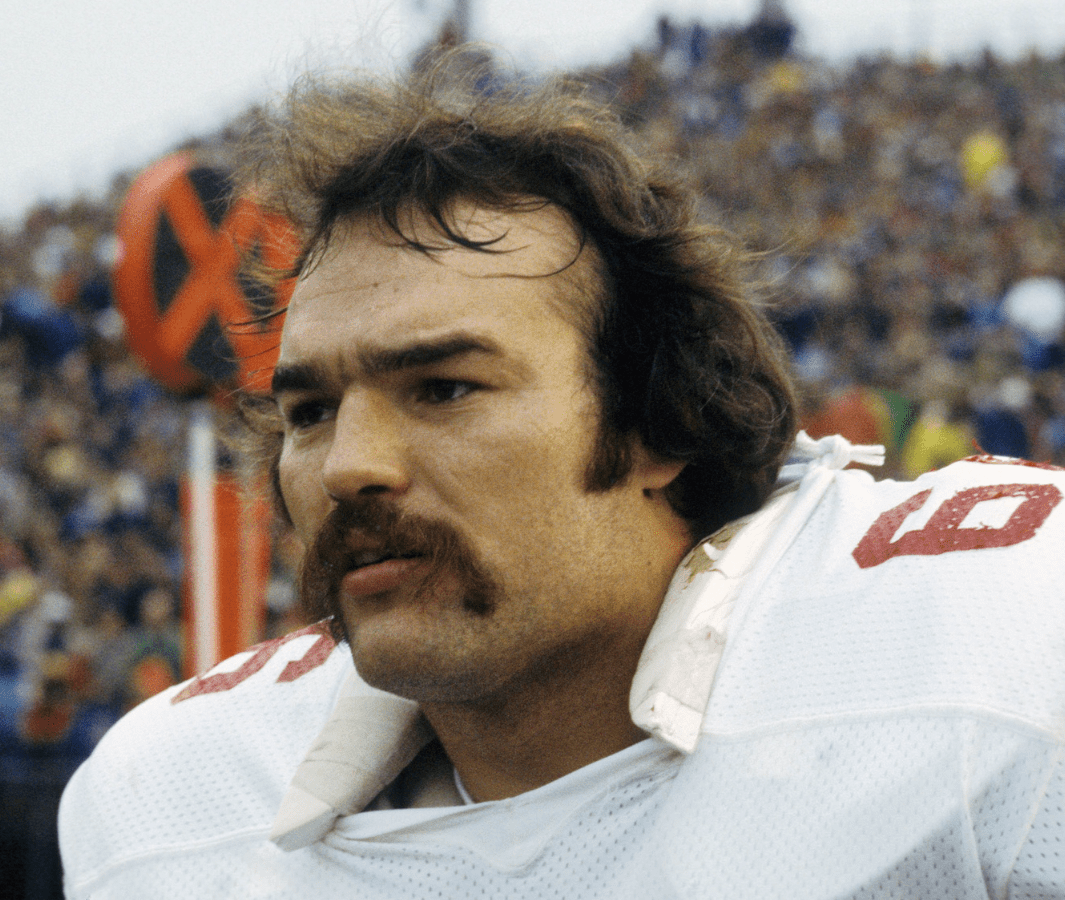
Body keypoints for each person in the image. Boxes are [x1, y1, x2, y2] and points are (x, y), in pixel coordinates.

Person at [58, 57, 1065, 898]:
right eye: (310, 411)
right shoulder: (169, 806)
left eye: (442, 388)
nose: (349, 466)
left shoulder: (992, 645)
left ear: (656, 421)